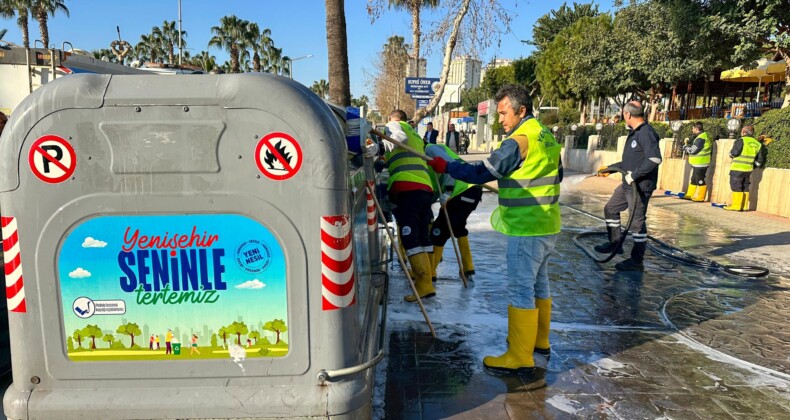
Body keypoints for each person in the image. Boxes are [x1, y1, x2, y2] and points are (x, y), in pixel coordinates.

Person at [427, 84, 561, 374]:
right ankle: (540, 343)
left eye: (503, 113)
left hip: (528, 228)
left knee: (521, 288)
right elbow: (556, 173)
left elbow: (481, 172)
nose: (500, 119)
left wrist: (447, 166)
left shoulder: (519, 140)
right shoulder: (545, 135)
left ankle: (519, 355)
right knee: (540, 285)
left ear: (520, 110)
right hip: (548, 224)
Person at [594, 101, 662, 271]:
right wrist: (610, 169)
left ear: (627, 115)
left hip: (639, 186)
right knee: (611, 208)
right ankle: (615, 243)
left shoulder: (646, 133)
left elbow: (655, 159)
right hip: (628, 183)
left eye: (622, 114)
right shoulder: (635, 133)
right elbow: (630, 161)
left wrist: (635, 175)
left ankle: (636, 261)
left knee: (637, 223)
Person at [384, 110, 436, 302]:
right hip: (424, 188)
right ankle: (428, 283)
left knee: (409, 237)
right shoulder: (416, 134)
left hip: (407, 188)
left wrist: (380, 149)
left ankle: (422, 284)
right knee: (423, 236)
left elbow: (399, 138)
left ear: (392, 118)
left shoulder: (394, 126)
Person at [424, 143, 483, 282]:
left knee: (438, 232)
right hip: (472, 191)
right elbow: (435, 189)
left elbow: (450, 165)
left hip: (460, 191)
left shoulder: (429, 149)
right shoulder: (427, 163)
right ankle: (468, 268)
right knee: (458, 227)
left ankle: (430, 273)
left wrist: (449, 191)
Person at [724, 125, 767, 211]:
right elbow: (759, 160)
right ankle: (744, 206)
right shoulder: (758, 144)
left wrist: (730, 154)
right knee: (745, 186)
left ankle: (736, 206)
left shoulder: (741, 140)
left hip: (737, 168)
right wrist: (753, 165)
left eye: (741, 132)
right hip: (748, 170)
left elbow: (735, 152)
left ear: (744, 132)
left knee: (736, 186)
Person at [681, 122, 712, 202]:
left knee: (699, 179)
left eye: (693, 128)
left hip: (701, 163)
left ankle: (701, 197)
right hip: (699, 163)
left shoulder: (700, 138)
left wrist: (685, 147)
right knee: (694, 179)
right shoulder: (701, 136)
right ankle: (689, 195)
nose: (692, 130)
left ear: (696, 129)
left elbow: (693, 151)